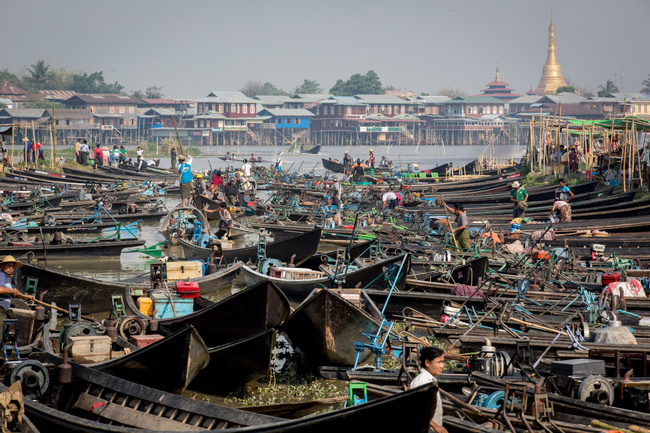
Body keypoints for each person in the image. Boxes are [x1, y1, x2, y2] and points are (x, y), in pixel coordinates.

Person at [410, 347, 446, 433]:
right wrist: (435, 426)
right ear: (427, 363)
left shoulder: (430, 379)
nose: (442, 365)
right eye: (439, 362)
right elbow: (417, 410)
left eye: (442, 362)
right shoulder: (422, 381)